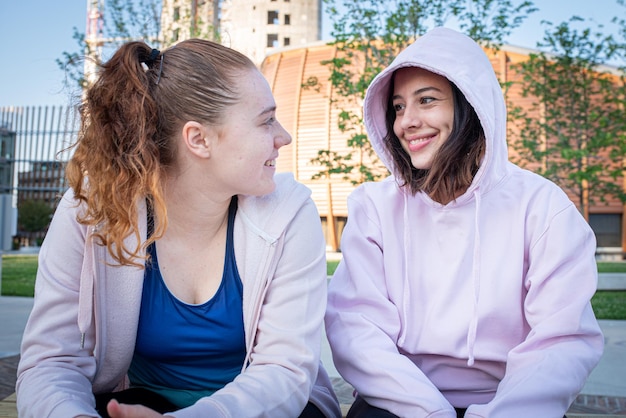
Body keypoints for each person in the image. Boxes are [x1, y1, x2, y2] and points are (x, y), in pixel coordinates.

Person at [16, 39, 341, 418]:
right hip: (137, 401)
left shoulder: (290, 210)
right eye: (266, 120)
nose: (283, 136)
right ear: (198, 139)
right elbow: (51, 362)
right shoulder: (93, 209)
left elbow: (284, 372)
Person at [325, 27, 604, 418]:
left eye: (427, 100)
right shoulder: (374, 206)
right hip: (396, 400)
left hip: (507, 402)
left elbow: (560, 342)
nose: (407, 122)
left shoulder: (542, 206)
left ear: (471, 105)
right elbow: (355, 329)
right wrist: (430, 412)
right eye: (399, 106)